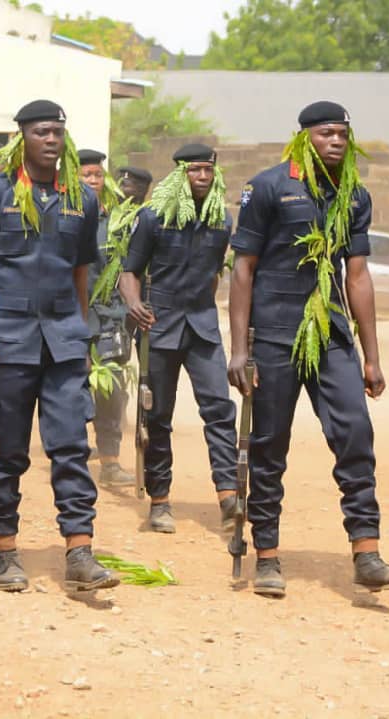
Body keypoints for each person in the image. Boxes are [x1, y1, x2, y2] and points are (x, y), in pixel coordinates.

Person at [228, 101, 389, 597]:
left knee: (355, 430)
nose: (336, 142)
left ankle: (367, 554)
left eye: (342, 134)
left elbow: (356, 275)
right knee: (269, 445)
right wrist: (237, 349)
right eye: (326, 134)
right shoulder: (268, 187)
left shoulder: (353, 195)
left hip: (330, 333)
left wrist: (371, 355)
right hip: (273, 334)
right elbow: (242, 270)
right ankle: (266, 555)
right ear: (305, 137)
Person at [0, 99, 119, 593]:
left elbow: (82, 268)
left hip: (64, 342)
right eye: (42, 132)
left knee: (71, 447)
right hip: (9, 341)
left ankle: (80, 551)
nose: (52, 140)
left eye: (58, 132)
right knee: (7, 452)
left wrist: (81, 331)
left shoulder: (80, 199)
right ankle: (5, 549)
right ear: (22, 137)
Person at [119, 144, 239, 534]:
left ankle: (228, 493)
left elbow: (218, 271)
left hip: (202, 327)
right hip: (160, 326)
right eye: (195, 171)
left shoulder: (223, 219)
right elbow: (129, 271)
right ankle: (159, 500)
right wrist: (134, 304)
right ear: (180, 175)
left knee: (219, 409)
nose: (202, 177)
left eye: (208, 170)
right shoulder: (153, 217)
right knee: (158, 416)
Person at [77, 148, 134, 489]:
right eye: (87, 175)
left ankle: (110, 461)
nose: (94, 181)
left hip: (111, 316)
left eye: (98, 175)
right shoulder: (65, 214)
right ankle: (74, 454)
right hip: (75, 317)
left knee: (111, 389)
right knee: (75, 387)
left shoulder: (116, 220)